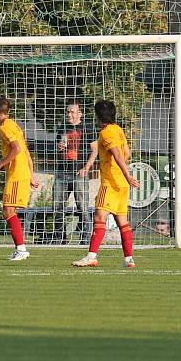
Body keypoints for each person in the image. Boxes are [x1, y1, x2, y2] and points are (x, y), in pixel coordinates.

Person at [72, 100, 140, 268]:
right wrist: (124, 174)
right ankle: (128, 259)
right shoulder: (117, 130)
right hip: (121, 185)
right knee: (122, 221)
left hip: (111, 183)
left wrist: (127, 174)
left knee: (99, 217)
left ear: (97, 116)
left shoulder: (107, 133)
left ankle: (91, 256)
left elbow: (117, 154)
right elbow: (127, 153)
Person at [0, 96, 39, 261]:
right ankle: (20, 248)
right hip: (21, 172)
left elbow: (17, 149)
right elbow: (25, 150)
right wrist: (31, 174)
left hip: (17, 174)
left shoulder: (5, 127)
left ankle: (21, 249)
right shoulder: (14, 125)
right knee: (10, 211)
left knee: (8, 211)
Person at [43, 99, 98, 245]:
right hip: (62, 172)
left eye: (72, 111)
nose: (69, 114)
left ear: (80, 113)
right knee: (57, 206)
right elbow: (57, 148)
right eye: (67, 111)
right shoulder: (63, 128)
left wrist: (86, 168)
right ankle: (60, 238)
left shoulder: (88, 128)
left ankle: (86, 239)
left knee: (82, 207)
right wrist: (58, 147)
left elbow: (95, 150)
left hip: (79, 173)